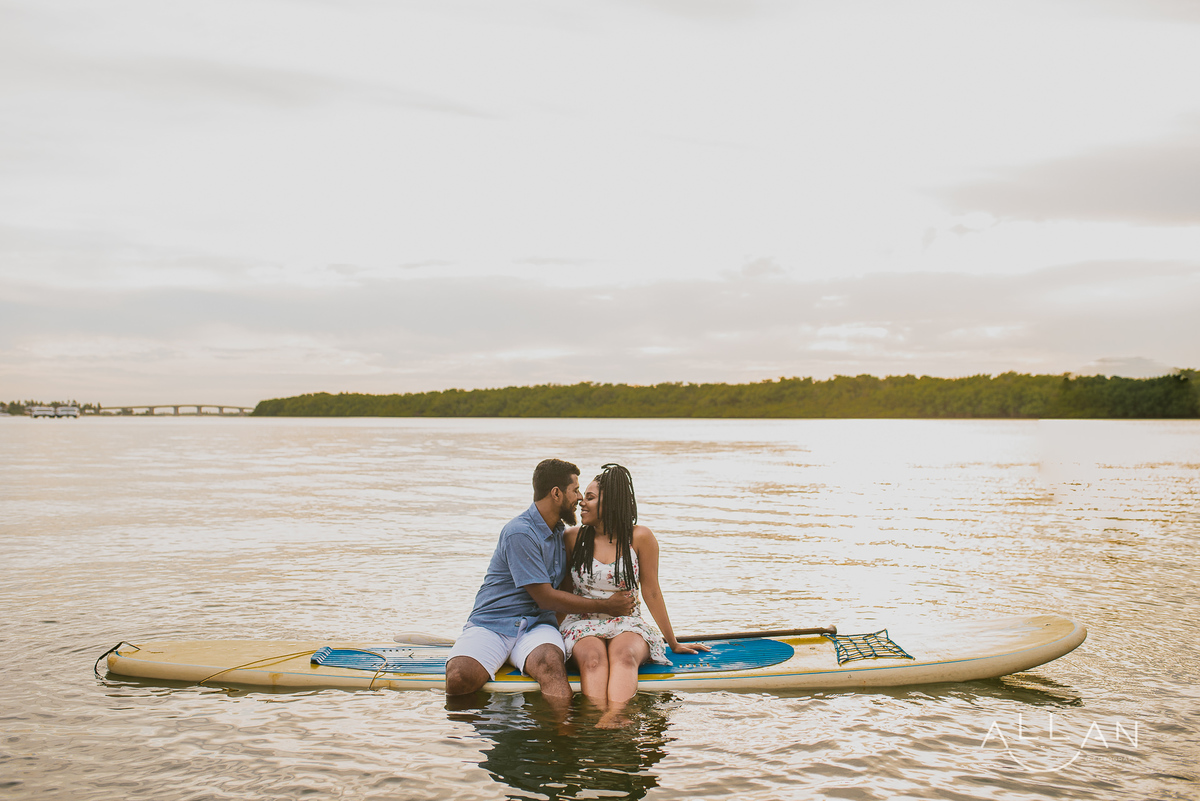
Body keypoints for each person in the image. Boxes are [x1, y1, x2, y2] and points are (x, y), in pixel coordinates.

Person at [445, 459, 636, 704]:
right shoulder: (520, 532)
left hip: (537, 627)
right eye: (575, 490)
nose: (578, 498)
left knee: (553, 672)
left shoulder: (562, 534)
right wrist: (606, 606)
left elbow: (567, 587)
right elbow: (544, 597)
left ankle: (564, 736)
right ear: (556, 493)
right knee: (459, 679)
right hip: (493, 624)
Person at [559, 463, 707, 726]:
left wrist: (673, 643)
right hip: (581, 623)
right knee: (593, 661)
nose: (582, 502)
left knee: (624, 656)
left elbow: (651, 591)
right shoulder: (572, 538)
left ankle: (615, 715)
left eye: (590, 498)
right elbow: (564, 593)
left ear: (612, 503)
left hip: (628, 623)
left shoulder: (640, 537)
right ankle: (596, 717)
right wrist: (546, 639)